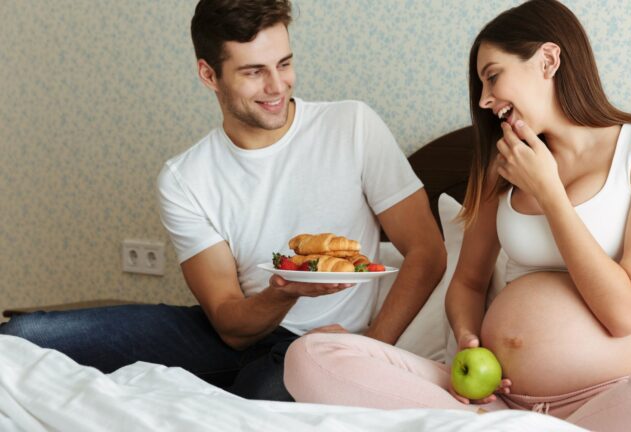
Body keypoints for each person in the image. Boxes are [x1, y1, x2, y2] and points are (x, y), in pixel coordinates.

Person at [283, 0, 631, 429]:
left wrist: (550, 194)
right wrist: (466, 337)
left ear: (548, 61)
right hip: (493, 405)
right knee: (312, 355)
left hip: (611, 403)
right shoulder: (504, 167)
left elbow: (625, 313)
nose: (484, 100)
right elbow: (468, 283)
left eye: (493, 76)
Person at [0, 0, 446, 401]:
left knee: (254, 399)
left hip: (320, 348)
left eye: (284, 64)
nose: (277, 86)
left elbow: (427, 252)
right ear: (208, 75)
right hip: (239, 332)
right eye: (253, 72)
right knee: (24, 333)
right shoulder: (185, 178)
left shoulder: (351, 126)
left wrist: (365, 350)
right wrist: (284, 292)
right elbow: (231, 326)